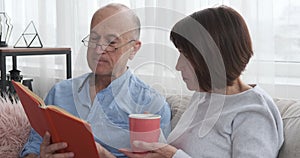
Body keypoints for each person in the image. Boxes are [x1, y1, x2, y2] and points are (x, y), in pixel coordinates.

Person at [120, 5, 284, 158]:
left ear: (210, 57)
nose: (178, 66)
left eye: (185, 54)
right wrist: (155, 140)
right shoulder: (204, 96)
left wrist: (173, 156)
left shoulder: (254, 112)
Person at [20, 3, 171, 158]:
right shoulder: (59, 92)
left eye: (111, 42)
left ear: (134, 48)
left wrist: (104, 155)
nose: (99, 49)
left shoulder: (152, 106)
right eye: (94, 39)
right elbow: (32, 147)